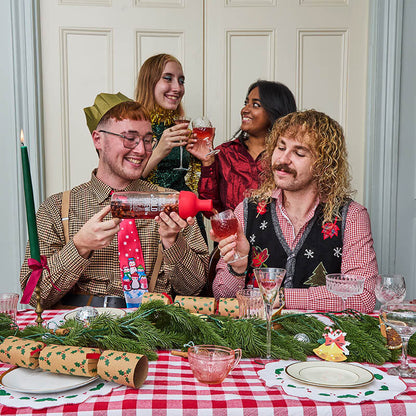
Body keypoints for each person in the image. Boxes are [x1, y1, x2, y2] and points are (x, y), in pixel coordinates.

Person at [20, 92, 209, 309]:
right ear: (98, 139)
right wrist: (79, 246)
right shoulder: (56, 208)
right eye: (130, 138)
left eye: (148, 140)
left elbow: (195, 288)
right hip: (80, 332)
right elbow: (32, 295)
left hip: (152, 330)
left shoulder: (171, 203)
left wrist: (173, 242)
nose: (142, 150)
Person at [211, 110, 377, 313]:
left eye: (299, 153)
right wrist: (237, 267)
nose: (283, 159)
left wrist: (277, 296)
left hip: (323, 343)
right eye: (280, 148)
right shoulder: (246, 211)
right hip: (257, 340)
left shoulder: (351, 216)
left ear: (324, 165)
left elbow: (363, 296)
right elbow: (222, 298)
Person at [188, 80, 296, 213]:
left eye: (255, 105)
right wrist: (207, 162)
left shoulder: (288, 157)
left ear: (275, 111)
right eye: (246, 103)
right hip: (234, 234)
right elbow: (210, 210)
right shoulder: (225, 153)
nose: (244, 110)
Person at [134, 53, 206, 240]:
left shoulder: (180, 128)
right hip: (150, 220)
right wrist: (158, 152)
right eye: (168, 78)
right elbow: (123, 184)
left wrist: (203, 160)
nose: (177, 88)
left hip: (187, 218)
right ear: (149, 82)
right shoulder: (133, 127)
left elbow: (193, 182)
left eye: (181, 81)